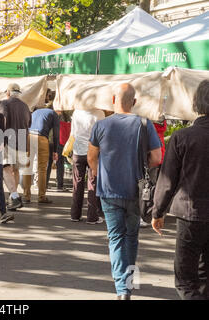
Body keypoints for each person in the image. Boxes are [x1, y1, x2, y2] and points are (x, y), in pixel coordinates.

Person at [87, 83, 162, 300]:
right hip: (136, 191)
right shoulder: (144, 124)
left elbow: (92, 157)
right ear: (135, 102)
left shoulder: (101, 125)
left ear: (113, 100)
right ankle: (128, 284)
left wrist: (100, 173)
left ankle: (122, 290)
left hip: (109, 190)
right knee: (131, 237)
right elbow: (157, 158)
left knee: (116, 238)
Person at [152, 80, 209, 300]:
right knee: (205, 277)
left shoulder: (182, 137)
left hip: (190, 213)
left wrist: (158, 212)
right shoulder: (182, 137)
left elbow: (167, 181)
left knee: (185, 278)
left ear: (197, 103)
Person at [0, 83, 31, 212]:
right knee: (16, 170)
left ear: (8, 93)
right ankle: (14, 197)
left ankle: (14, 196)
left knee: (5, 168)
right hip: (22, 140)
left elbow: (3, 121)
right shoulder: (25, 106)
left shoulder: (4, 104)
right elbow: (29, 123)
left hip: (8, 140)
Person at [70, 108, 105, 224]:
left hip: (77, 151)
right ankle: (92, 216)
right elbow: (103, 135)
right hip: (93, 152)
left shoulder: (76, 112)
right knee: (93, 183)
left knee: (77, 182)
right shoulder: (100, 114)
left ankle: (75, 214)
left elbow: (73, 133)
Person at [22, 101, 60, 204]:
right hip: (41, 138)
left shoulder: (36, 111)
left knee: (27, 167)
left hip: (29, 136)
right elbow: (56, 134)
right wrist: (55, 151)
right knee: (42, 169)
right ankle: (41, 197)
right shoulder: (54, 114)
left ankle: (26, 196)